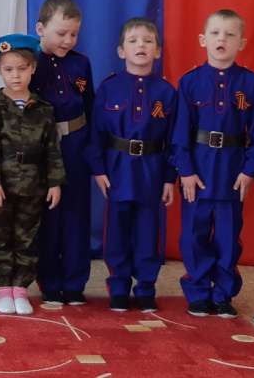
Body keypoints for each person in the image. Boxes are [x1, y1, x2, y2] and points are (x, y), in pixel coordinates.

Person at [171, 10, 254, 318]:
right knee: (194, 235)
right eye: (215, 33)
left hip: (232, 172)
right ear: (203, 40)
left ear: (241, 43)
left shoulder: (251, 84)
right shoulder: (190, 82)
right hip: (198, 171)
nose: (221, 39)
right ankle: (199, 292)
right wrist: (185, 170)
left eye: (229, 34)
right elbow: (179, 133)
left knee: (228, 237)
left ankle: (223, 294)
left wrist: (250, 169)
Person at [86, 18, 175, 313]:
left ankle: (146, 287)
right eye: (133, 41)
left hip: (152, 169)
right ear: (121, 51)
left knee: (149, 231)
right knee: (117, 230)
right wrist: (99, 169)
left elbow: (174, 139)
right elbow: (96, 133)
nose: (141, 46)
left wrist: (169, 178)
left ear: (157, 51)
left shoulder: (166, 92)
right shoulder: (109, 88)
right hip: (117, 168)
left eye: (148, 41)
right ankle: (119, 287)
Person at [0, 33, 63, 316]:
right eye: (8, 69)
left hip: (32, 185)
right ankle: (4, 288)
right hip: (1, 186)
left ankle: (21, 288)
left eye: (21, 68)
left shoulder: (43, 109)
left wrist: (54, 182)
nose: (15, 75)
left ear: (33, 68)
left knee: (27, 237)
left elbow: (52, 149)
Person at [29, 0, 94, 305]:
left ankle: (75, 282)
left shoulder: (81, 63)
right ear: (40, 29)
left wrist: (92, 150)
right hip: (42, 148)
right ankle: (50, 281)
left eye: (74, 34)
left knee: (76, 215)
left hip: (76, 145)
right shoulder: (30, 62)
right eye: (61, 33)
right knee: (48, 216)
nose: (68, 40)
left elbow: (90, 106)